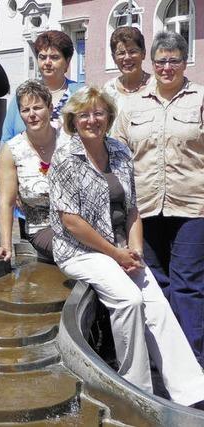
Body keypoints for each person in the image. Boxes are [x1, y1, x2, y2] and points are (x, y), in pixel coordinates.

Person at [49, 86, 204, 408]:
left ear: (108, 116)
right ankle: (136, 389)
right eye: (84, 114)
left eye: (99, 112)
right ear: (73, 121)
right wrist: (116, 254)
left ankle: (192, 391)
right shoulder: (65, 157)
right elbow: (71, 222)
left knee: (158, 304)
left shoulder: (119, 151)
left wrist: (135, 251)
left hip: (120, 247)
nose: (92, 119)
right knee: (130, 300)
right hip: (80, 249)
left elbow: (133, 209)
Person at [112, 31, 204, 368]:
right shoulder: (132, 106)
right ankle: (164, 360)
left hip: (193, 207)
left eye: (174, 60)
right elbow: (118, 155)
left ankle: (195, 363)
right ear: (153, 64)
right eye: (161, 61)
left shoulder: (200, 99)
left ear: (184, 62)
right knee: (156, 284)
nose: (167, 67)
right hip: (145, 209)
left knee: (188, 286)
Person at [0, 80, 69, 262]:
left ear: (50, 108)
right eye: (25, 110)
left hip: (79, 224)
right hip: (42, 228)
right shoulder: (12, 150)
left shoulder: (68, 139)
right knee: (77, 250)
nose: (32, 114)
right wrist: (5, 245)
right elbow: (7, 203)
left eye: (38, 108)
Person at [1, 30, 83, 142]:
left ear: (67, 62)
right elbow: (6, 139)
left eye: (54, 57)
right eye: (43, 57)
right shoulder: (23, 94)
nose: (47, 62)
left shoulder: (80, 94)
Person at [102, 26, 152, 110]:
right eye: (121, 53)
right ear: (114, 58)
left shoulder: (157, 86)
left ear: (143, 54)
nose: (127, 58)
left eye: (132, 52)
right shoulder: (109, 90)